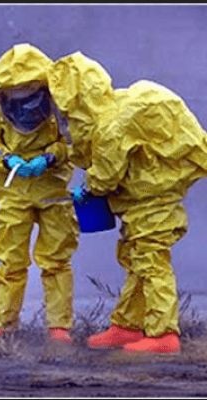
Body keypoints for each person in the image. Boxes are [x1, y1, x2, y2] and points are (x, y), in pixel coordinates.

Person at [47, 51, 207, 354]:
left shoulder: (111, 127)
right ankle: (127, 326)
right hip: (143, 200)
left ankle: (163, 334)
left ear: (78, 102)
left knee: (151, 262)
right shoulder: (114, 112)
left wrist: (88, 188)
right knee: (137, 261)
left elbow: (107, 175)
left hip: (153, 201)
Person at [0, 43, 79, 345]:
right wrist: (6, 158)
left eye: (29, 98)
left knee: (56, 260)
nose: (22, 108)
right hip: (12, 191)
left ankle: (59, 328)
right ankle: (2, 327)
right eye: (15, 100)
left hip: (52, 186)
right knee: (10, 263)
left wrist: (51, 157)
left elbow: (76, 140)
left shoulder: (59, 99)